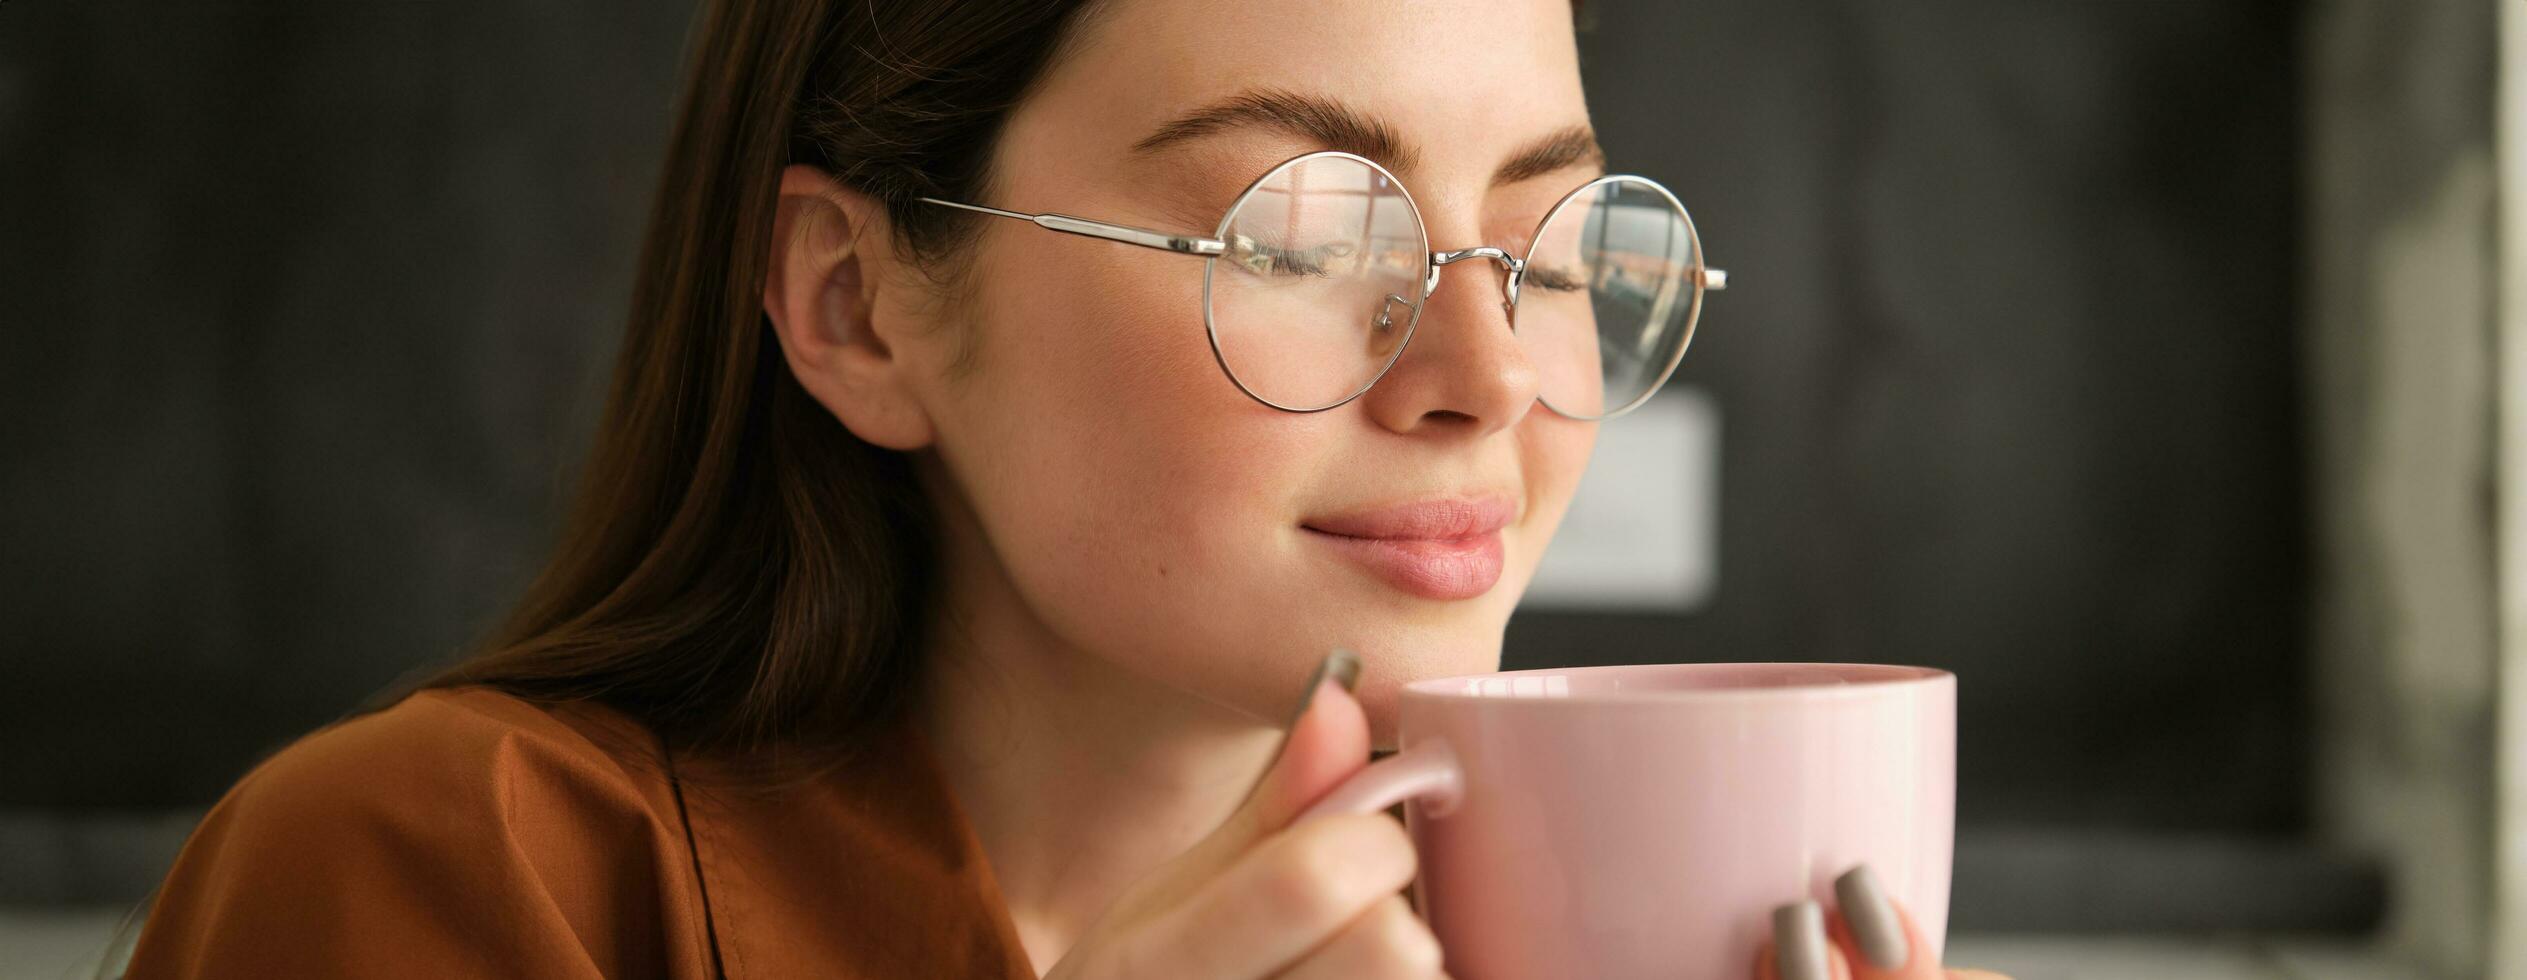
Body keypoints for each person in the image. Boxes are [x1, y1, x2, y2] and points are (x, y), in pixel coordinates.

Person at [121, 1, 2007, 978]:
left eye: (1546, 242)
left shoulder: (1561, 942)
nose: (1492, 379)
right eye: (1301, 234)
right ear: (858, 310)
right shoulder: (446, 882)